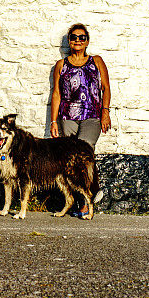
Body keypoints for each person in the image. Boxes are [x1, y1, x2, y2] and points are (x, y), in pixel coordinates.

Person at [51, 22, 111, 217]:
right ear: (69, 41)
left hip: (92, 116)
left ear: (87, 41)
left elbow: (106, 89)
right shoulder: (61, 65)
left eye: (81, 37)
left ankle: (90, 196)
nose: (78, 40)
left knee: (85, 151)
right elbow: (57, 95)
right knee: (69, 159)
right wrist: (53, 121)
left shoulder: (97, 61)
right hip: (68, 116)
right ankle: (81, 202)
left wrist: (105, 112)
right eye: (74, 37)